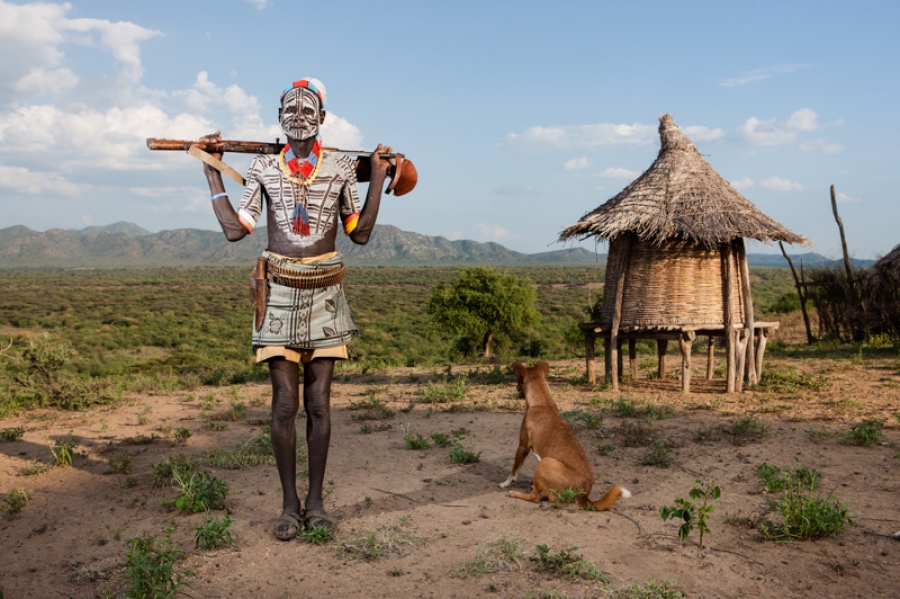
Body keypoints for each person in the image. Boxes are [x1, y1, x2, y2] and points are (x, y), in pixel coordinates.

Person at [200, 78, 391, 540]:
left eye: (309, 111)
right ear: (279, 118)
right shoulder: (264, 167)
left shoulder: (342, 167)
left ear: (323, 118)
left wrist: (379, 178)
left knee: (319, 404)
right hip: (278, 290)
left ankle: (317, 503)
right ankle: (289, 506)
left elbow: (358, 233)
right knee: (285, 403)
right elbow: (235, 231)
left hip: (326, 290)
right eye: (291, 110)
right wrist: (212, 171)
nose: (300, 117)